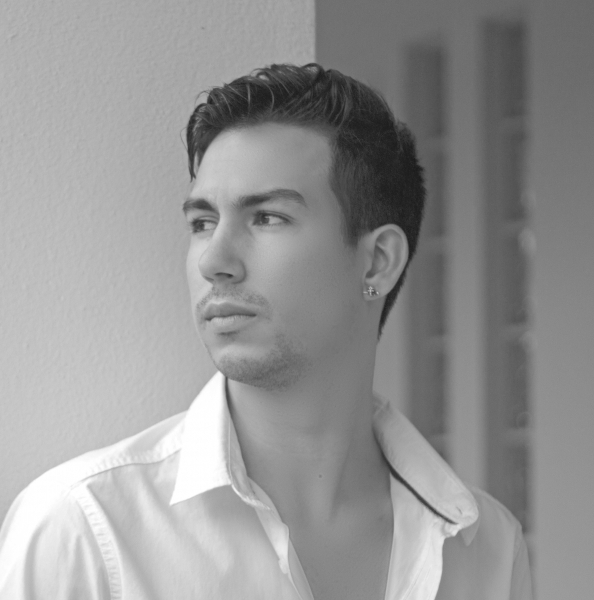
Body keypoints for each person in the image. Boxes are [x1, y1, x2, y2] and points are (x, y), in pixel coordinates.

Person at [0, 63, 532, 599]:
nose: (214, 261)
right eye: (202, 223)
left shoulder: (486, 548)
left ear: (377, 262)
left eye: (267, 218)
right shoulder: (84, 530)